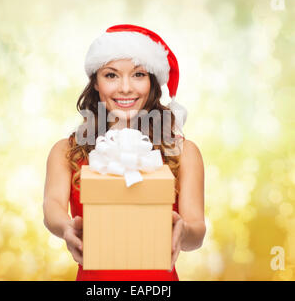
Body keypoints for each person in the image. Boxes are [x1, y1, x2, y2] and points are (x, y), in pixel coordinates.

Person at [43, 24, 206, 281]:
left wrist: (183, 232)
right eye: (111, 75)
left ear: (152, 81)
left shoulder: (184, 152)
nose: (126, 88)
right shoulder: (66, 151)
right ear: (95, 82)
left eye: (138, 74)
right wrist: (65, 228)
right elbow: (52, 207)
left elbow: (197, 230)